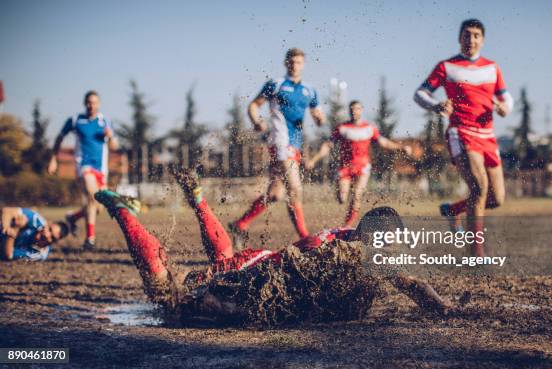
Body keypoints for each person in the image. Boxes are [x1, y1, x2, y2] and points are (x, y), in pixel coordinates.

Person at [94, 169, 451, 326]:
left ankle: (200, 201)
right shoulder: (355, 253)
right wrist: (446, 308)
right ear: (376, 237)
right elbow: (414, 286)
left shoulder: (346, 237)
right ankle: (121, 210)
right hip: (253, 274)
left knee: (224, 259)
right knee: (166, 291)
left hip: (257, 264)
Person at [413, 19, 514, 257]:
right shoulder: (447, 66)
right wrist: (436, 105)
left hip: (488, 136)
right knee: (479, 188)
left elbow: (507, 98)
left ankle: (453, 210)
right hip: (462, 132)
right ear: (459, 38)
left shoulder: (492, 67)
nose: (471, 40)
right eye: (467, 35)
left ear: (483, 40)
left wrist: (504, 108)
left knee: (496, 198)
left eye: (477, 35)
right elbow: (420, 93)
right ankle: (476, 256)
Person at [229, 48, 326, 244]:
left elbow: (319, 115)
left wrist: (319, 119)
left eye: (298, 62)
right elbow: (254, 106)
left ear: (303, 64)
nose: (295, 65)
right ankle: (306, 239)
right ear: (286, 63)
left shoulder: (310, 90)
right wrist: (256, 121)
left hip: (295, 144)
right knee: (295, 189)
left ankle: (239, 225)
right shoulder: (276, 84)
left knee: (275, 194)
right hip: (280, 142)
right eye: (291, 62)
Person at [306, 100, 412, 227]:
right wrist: (314, 159)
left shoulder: (369, 128)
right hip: (345, 167)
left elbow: (384, 143)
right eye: (351, 109)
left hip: (363, 167)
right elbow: (328, 145)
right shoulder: (342, 128)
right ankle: (341, 192)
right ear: (349, 111)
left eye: (356, 109)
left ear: (361, 110)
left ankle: (346, 226)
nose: (354, 111)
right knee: (342, 198)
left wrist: (401, 148)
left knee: (357, 195)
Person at [48, 90, 119, 249]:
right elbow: (60, 138)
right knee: (93, 197)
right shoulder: (75, 121)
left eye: (94, 102)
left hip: (101, 169)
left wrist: (111, 136)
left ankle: (73, 217)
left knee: (98, 207)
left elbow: (115, 146)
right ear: (84, 103)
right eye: (88, 102)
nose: (91, 105)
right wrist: (54, 158)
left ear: (98, 104)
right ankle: (90, 239)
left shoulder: (105, 121)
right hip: (83, 166)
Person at [1, 207, 69, 261]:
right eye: (49, 229)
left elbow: (8, 255)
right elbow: (7, 211)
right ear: (48, 224)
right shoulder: (36, 219)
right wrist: (6, 226)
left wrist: (14, 228)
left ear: (54, 242)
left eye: (52, 237)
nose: (46, 235)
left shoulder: (39, 254)